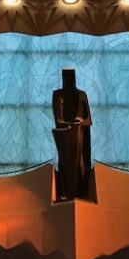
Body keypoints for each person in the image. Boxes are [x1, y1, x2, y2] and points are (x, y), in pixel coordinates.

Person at [51, 68, 93, 201]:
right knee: (66, 165)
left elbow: (87, 119)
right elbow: (58, 118)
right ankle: (66, 192)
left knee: (80, 164)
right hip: (66, 136)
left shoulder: (81, 95)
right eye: (67, 78)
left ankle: (81, 191)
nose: (69, 81)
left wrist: (80, 121)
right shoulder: (58, 95)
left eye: (71, 78)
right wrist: (70, 123)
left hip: (79, 135)